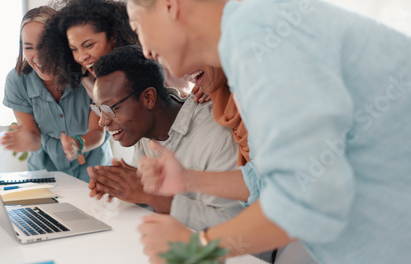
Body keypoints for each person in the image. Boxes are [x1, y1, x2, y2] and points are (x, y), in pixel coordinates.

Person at [127, 0, 411, 263]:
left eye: (137, 26)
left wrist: (197, 248)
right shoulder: (252, 34)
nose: (145, 50)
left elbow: (307, 200)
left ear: (169, 5)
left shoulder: (258, 33)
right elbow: (277, 177)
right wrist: (188, 179)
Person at [87, 45, 246, 233]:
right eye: (99, 110)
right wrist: (125, 185)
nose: (103, 122)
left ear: (148, 98)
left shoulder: (215, 134)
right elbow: (149, 200)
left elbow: (237, 225)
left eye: (110, 109)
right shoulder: (144, 131)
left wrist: (152, 196)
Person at [0, 6, 112, 182]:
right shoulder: (18, 80)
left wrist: (77, 144)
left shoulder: (88, 74)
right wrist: (27, 139)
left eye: (44, 46)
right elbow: (34, 138)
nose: (37, 57)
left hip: (93, 174)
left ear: (62, 44)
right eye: (28, 47)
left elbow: (98, 132)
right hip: (43, 174)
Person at [38, 0, 191, 101]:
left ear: (113, 36)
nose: (82, 56)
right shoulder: (89, 80)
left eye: (89, 45)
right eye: (74, 49)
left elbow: (208, 70)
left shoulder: (155, 53)